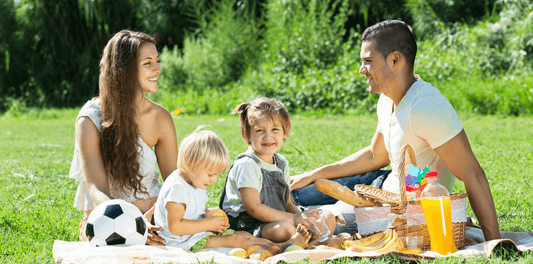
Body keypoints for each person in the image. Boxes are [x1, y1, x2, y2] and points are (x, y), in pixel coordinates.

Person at [290, 20, 501, 241]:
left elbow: (473, 174)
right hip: (378, 185)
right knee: (289, 192)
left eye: (368, 61)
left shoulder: (427, 108)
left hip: (396, 210)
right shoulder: (386, 98)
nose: (362, 70)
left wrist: (496, 242)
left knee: (307, 219)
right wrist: (313, 174)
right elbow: (375, 155)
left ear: (394, 59)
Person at [68, 30, 178, 245]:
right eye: (148, 63)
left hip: (152, 210)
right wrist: (131, 225)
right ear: (125, 69)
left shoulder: (161, 117)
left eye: (157, 60)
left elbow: (174, 182)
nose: (158, 69)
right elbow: (97, 189)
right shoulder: (90, 119)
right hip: (106, 215)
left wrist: (154, 217)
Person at [153, 129, 311, 252]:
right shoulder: (178, 188)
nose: (214, 180)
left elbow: (193, 208)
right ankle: (285, 246)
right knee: (236, 241)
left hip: (192, 236)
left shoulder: (193, 180)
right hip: (183, 242)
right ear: (191, 165)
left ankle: (282, 244)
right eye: (210, 174)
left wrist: (208, 215)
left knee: (242, 236)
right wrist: (208, 224)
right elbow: (175, 227)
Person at [219, 97, 336, 244]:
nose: (268, 137)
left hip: (279, 218)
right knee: (285, 229)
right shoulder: (247, 165)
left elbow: (286, 204)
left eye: (275, 129)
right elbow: (253, 208)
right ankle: (304, 241)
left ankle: (308, 239)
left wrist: (304, 217)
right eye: (260, 130)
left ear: (284, 133)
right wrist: (294, 220)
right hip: (249, 225)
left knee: (327, 216)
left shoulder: (281, 163)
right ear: (246, 134)